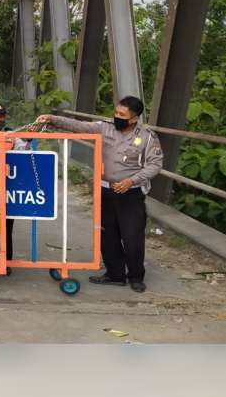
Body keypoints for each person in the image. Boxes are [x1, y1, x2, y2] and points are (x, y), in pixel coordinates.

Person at [37, 95, 163, 293]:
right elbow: (79, 126)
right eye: (116, 112)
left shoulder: (147, 136)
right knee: (106, 235)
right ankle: (115, 274)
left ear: (134, 118)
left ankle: (136, 276)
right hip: (105, 190)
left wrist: (131, 181)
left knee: (132, 237)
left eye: (122, 115)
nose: (116, 117)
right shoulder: (105, 127)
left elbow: (155, 164)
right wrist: (53, 119)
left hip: (131, 193)